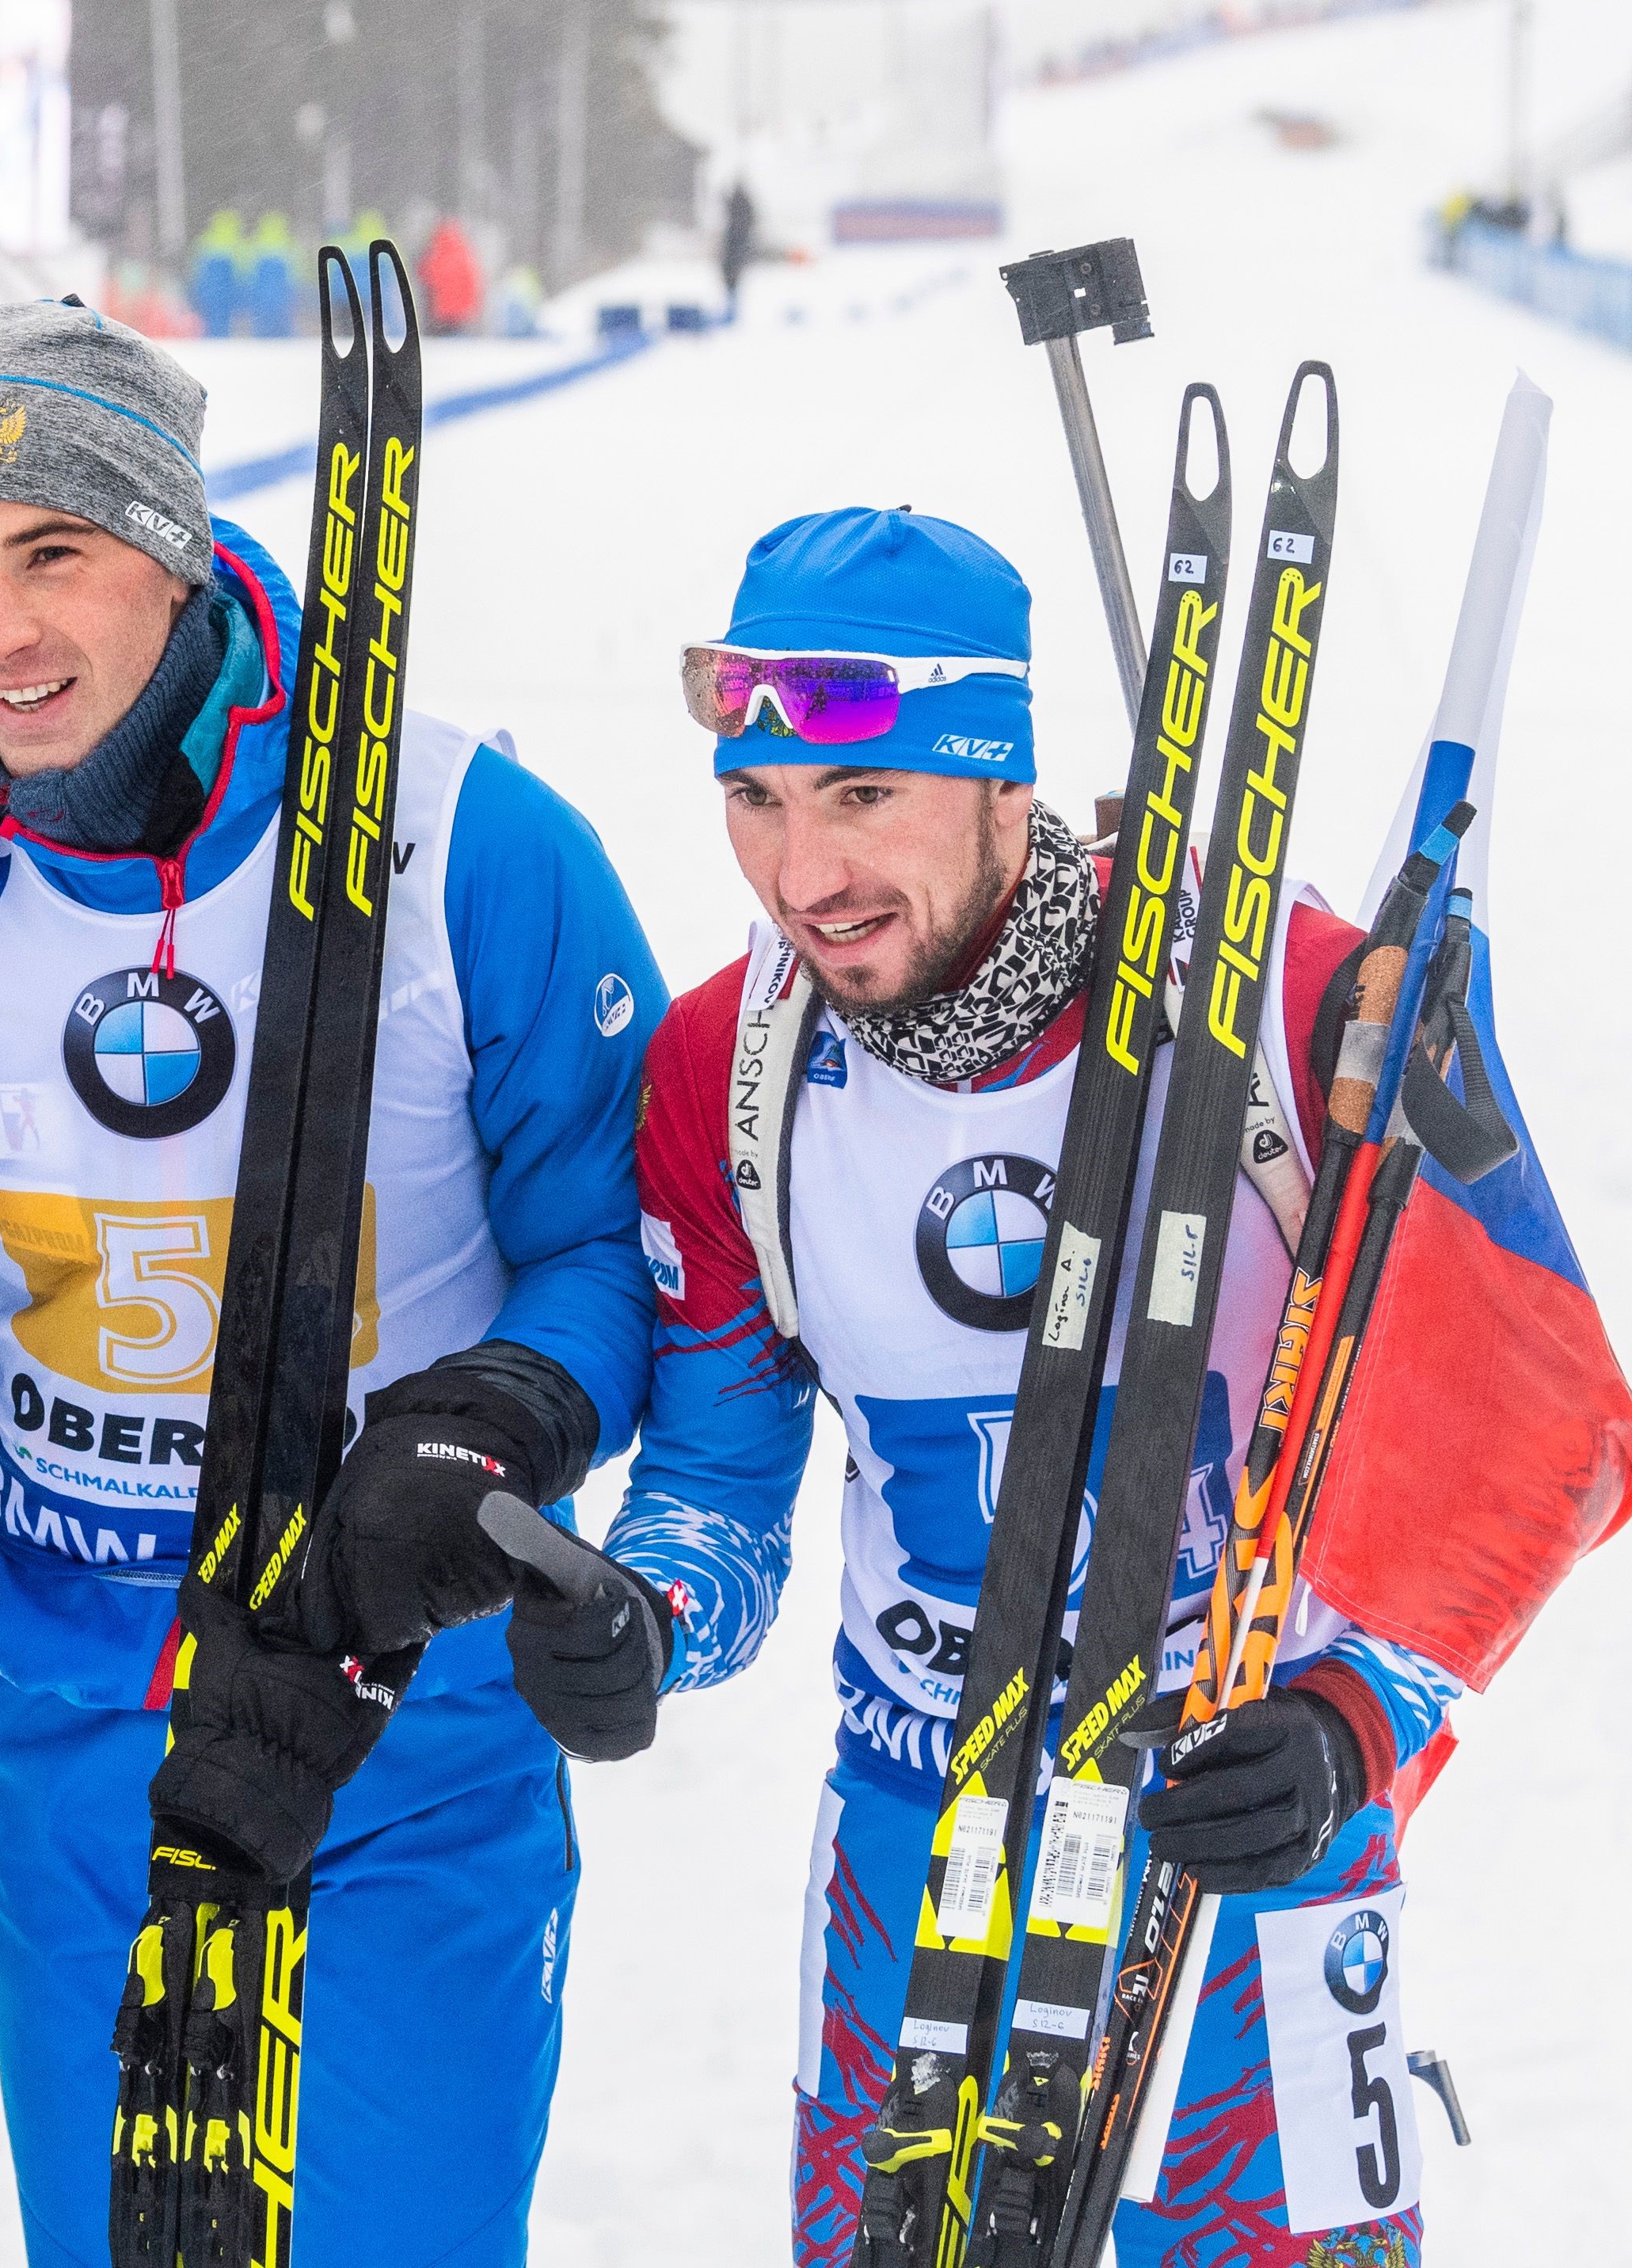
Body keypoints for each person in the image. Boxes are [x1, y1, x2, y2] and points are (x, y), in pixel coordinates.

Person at [0, 299, 663, 2264]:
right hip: (81, 1727)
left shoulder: (468, 845)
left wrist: (507, 1412)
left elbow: (616, 1250)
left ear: (171, 549)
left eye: (50, 555)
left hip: (395, 1729)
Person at [586, 508, 1466, 2264]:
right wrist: (650, 1607)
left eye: (860, 797)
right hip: (921, 1829)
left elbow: (1534, 1433)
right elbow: (721, 1473)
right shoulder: (726, 1067)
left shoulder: (1284, 1000)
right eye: (755, 800)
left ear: (1003, 782)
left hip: (1246, 1819)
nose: (797, 874)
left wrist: (1358, 1717)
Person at [417, 216, 484, 335]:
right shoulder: (464, 255)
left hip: (441, 313)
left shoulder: (437, 257)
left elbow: (424, 275)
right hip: (460, 314)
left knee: (441, 344)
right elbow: (473, 284)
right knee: (456, 344)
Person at [242, 210, 300, 337]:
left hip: (262, 294)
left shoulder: (256, 244)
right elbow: (296, 272)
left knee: (262, 324)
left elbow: (246, 271)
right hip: (281, 293)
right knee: (282, 322)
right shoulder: (288, 244)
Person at [188, 208, 244, 338]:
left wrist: (197, 292)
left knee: (210, 325)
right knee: (225, 324)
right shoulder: (237, 244)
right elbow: (242, 274)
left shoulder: (205, 241)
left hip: (211, 293)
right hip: (227, 293)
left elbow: (197, 271)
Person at [720, 181, 758, 319]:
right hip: (735, 249)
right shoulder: (742, 211)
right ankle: (731, 308)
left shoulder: (739, 226)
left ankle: (731, 309)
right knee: (730, 276)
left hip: (736, 248)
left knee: (732, 275)